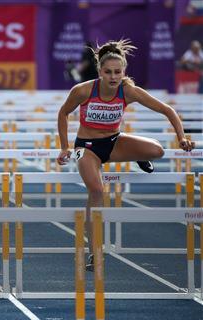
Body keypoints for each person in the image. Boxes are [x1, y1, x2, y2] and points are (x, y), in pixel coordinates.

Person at [56, 39, 195, 271]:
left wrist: (181, 138)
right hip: (87, 147)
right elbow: (63, 114)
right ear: (99, 71)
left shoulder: (128, 90)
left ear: (124, 72)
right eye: (108, 72)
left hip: (114, 142)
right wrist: (64, 146)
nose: (112, 77)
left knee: (157, 150)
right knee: (97, 191)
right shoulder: (83, 90)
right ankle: (95, 253)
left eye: (117, 72)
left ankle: (137, 156)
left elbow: (168, 110)